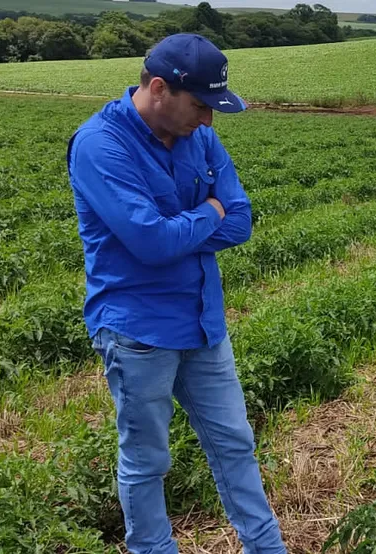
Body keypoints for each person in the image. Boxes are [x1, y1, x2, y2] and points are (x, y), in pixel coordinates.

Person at [67, 33, 286, 554]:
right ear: (159, 88)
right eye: (200, 105)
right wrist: (209, 211)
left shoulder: (200, 139)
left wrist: (189, 225)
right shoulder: (101, 145)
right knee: (147, 461)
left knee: (235, 442)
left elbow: (241, 222)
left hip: (203, 322)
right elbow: (149, 241)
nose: (208, 120)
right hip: (137, 328)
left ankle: (267, 548)